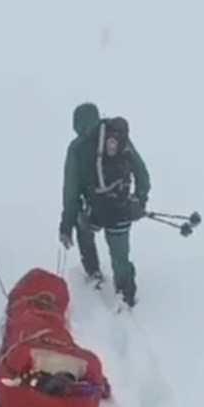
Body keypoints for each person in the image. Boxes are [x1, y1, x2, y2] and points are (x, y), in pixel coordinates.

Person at [59, 102, 151, 306]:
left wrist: (66, 225)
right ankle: (125, 292)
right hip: (121, 208)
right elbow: (142, 173)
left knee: (83, 229)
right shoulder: (117, 139)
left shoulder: (77, 148)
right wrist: (139, 200)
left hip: (94, 212)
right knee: (120, 255)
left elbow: (71, 192)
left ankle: (93, 272)